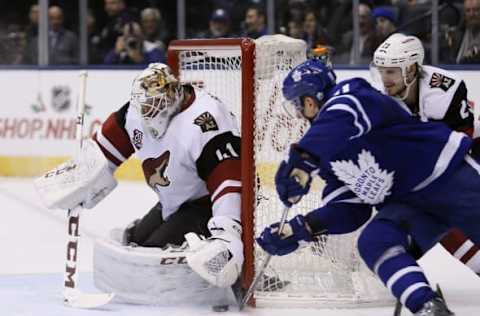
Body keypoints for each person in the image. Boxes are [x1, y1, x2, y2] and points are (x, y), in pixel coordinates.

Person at [257, 59, 480, 315]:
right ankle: (428, 307)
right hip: (409, 205)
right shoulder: (326, 153)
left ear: (309, 101)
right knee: (375, 241)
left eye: (296, 104)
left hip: (449, 179)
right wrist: (299, 228)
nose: (297, 112)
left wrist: (304, 158)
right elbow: (351, 210)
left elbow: (342, 115)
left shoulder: (353, 94)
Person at [36, 63, 244, 293]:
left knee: (154, 253)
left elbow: (229, 182)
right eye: (144, 107)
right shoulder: (138, 110)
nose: (147, 115)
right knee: (135, 240)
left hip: (206, 207)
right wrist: (80, 175)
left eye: (154, 107)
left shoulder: (207, 122)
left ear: (173, 96)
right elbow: (103, 151)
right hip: (174, 202)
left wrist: (228, 233)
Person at [372, 32, 480, 276]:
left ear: (410, 70)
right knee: (435, 211)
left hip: (471, 148)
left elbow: (461, 143)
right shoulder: (384, 101)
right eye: (382, 71)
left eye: (391, 71)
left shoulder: (443, 90)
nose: (384, 79)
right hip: (439, 159)